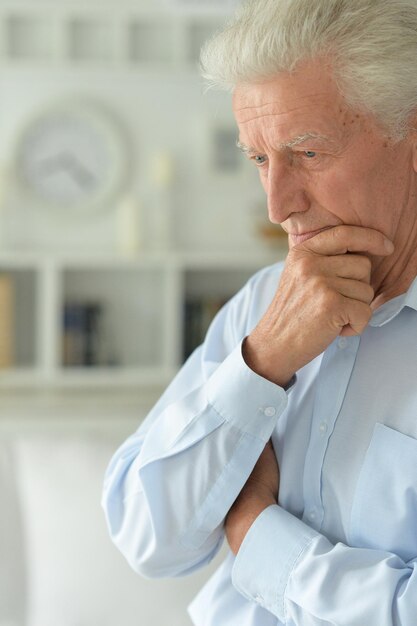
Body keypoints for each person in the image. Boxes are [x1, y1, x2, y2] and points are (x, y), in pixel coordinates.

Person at [102, 0, 417, 623]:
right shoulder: (266, 301)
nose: (277, 205)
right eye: (258, 159)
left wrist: (253, 531)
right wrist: (262, 361)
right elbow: (148, 539)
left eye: (307, 154)